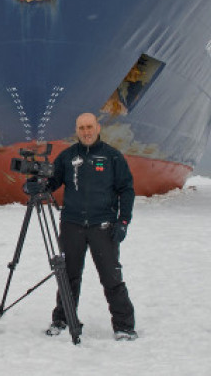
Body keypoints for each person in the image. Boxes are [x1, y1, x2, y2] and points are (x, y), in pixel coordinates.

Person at [23, 112, 138, 341]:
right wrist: (35, 186)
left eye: (89, 127)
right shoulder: (67, 157)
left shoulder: (112, 157)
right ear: (77, 131)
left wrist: (123, 221)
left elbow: (126, 189)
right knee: (68, 276)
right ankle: (63, 318)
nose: (86, 132)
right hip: (72, 224)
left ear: (97, 128)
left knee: (111, 277)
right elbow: (52, 182)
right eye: (82, 128)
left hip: (102, 226)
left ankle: (124, 326)